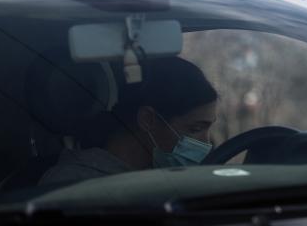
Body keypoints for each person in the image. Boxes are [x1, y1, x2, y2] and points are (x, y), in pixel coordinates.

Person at [40, 56, 218, 184]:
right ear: (147, 119)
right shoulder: (73, 184)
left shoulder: (166, 179)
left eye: (208, 129)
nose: (207, 143)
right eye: (195, 129)